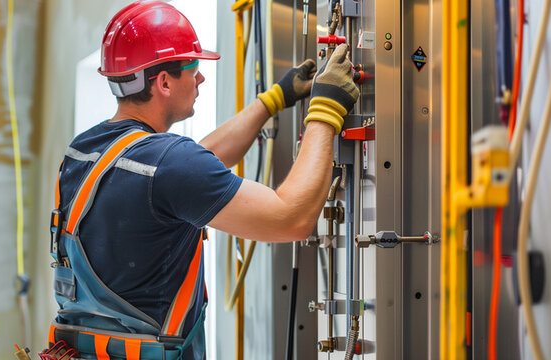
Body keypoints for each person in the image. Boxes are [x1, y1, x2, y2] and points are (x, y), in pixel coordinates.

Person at [46, 1, 359, 359]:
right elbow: (292, 219)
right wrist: (326, 109)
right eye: (193, 68)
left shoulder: (85, 151)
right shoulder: (169, 166)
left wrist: (273, 100)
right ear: (163, 81)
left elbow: (193, 169)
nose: (201, 78)